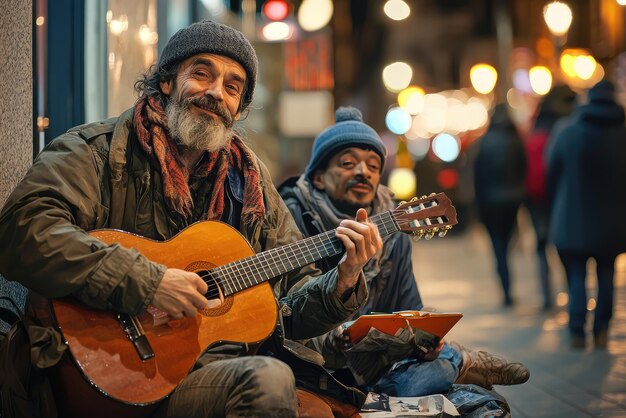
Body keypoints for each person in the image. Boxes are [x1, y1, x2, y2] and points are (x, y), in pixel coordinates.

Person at [0, 20, 384, 418]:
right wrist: (150, 283)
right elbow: (23, 230)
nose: (216, 92)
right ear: (166, 82)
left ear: (238, 108)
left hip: (205, 372)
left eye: (232, 87)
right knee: (268, 381)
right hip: (97, 373)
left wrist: (343, 279)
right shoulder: (98, 151)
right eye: (202, 74)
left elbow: (288, 307)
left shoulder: (247, 180)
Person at [278, 106, 530, 398]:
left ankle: (451, 360)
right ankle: (462, 362)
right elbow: (282, 314)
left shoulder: (394, 232)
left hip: (379, 363)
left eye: (373, 166)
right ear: (318, 177)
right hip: (313, 365)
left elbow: (409, 307)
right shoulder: (290, 219)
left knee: (432, 371)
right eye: (348, 163)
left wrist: (427, 339)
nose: (363, 172)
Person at [547, 79, 626, 349]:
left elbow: (551, 171)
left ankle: (577, 331)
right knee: (607, 273)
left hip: (573, 217)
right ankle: (602, 329)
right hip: (613, 220)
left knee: (577, 275)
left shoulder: (567, 131)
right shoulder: (622, 133)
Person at [524, 85, 576, 310]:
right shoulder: (567, 125)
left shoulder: (537, 125)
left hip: (536, 198)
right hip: (560, 196)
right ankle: (573, 293)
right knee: (567, 248)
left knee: (541, 246)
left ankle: (547, 296)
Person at [473, 104, 527, 307]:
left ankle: (506, 289)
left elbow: (477, 178)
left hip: (490, 203)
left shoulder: (484, 143)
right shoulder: (515, 141)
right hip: (512, 201)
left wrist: (477, 207)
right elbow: (523, 169)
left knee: (498, 247)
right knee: (507, 242)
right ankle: (508, 285)